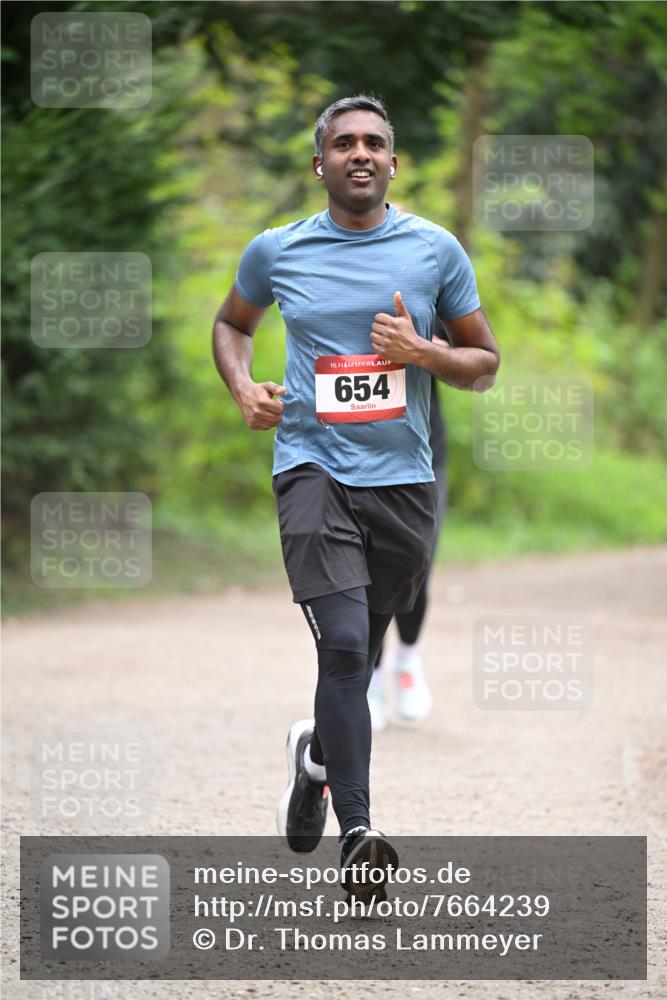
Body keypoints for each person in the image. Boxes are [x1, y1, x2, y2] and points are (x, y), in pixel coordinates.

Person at [212, 94, 500, 900]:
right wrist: (244, 389)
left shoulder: (434, 251)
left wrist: (423, 350)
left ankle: (315, 763)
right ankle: (360, 834)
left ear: (393, 163)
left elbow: (484, 362)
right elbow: (231, 324)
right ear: (320, 164)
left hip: (403, 485)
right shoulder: (279, 250)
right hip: (309, 468)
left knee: (361, 651)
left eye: (375, 141)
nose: (360, 153)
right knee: (341, 650)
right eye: (343, 143)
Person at [368, 373, 447, 730]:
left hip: (422, 449)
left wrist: (421, 346)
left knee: (415, 561)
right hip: (351, 446)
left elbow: (477, 363)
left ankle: (408, 658)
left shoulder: (437, 312)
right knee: (362, 565)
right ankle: (371, 676)